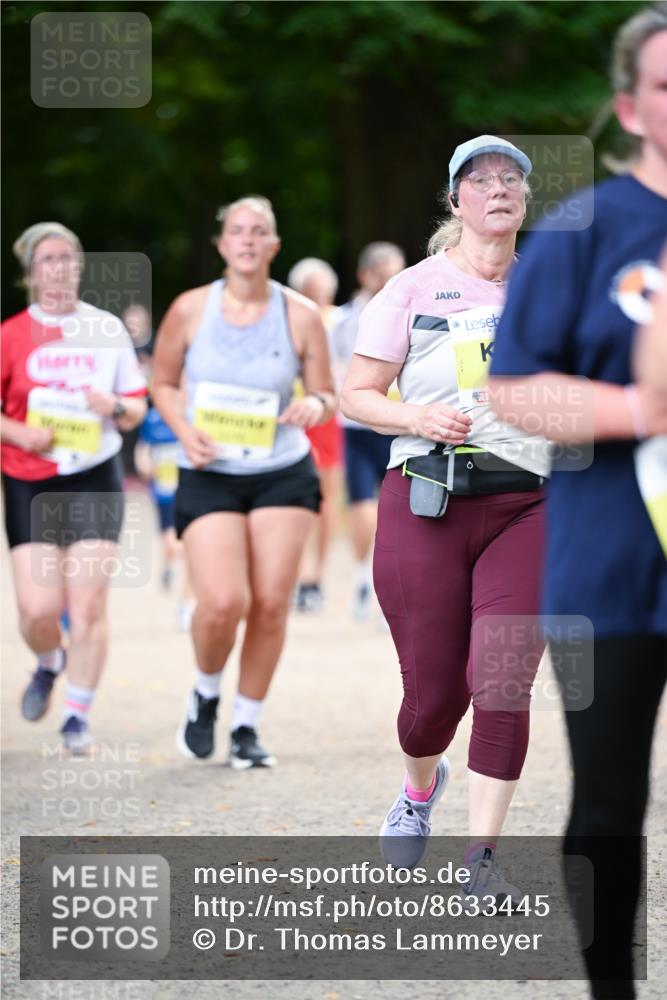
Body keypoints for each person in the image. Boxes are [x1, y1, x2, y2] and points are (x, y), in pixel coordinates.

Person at [488, 6, 667, 996]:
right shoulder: (580, 228)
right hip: (610, 568)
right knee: (607, 801)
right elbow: (514, 388)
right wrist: (638, 406)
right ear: (628, 105)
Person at [341, 137, 551, 893]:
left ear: (522, 202)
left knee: (499, 681)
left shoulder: (550, 289)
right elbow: (355, 395)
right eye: (480, 179)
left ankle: (481, 858)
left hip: (526, 506)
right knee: (433, 699)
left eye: (510, 180)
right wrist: (416, 419)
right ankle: (417, 790)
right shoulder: (413, 287)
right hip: (425, 500)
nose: (497, 189)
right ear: (455, 200)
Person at [152, 195, 335, 768]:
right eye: (238, 231)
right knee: (222, 602)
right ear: (222, 244)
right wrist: (184, 431)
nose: (249, 240)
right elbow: (161, 382)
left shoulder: (300, 313)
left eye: (260, 232)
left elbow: (327, 394)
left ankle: (246, 726)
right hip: (210, 471)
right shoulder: (188, 310)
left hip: (282, 470)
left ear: (275, 246)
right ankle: (206, 692)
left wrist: (315, 407)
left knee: (272, 604)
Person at [1, 222, 148, 753]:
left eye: (67, 258)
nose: (59, 268)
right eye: (47, 260)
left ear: (80, 266)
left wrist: (110, 405)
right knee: (37, 613)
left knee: (85, 606)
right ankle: (49, 660)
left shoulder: (106, 329)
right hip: (28, 479)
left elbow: (136, 406)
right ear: (30, 272)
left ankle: (77, 716)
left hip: (94, 475)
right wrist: (18, 431)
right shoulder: (11, 334)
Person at [332, 242, 405, 618]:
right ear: (364, 275)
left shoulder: (411, 309)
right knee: (362, 504)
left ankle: (389, 584)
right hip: (359, 426)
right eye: (383, 274)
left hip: (400, 424)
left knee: (399, 510)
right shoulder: (345, 321)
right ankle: (363, 575)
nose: (392, 281)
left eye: (397, 272)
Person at [287, 258, 344, 613]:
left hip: (328, 416)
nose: (317, 295)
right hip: (293, 413)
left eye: (321, 289)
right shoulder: (287, 317)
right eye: (310, 289)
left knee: (326, 500)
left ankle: (315, 576)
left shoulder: (342, 320)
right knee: (292, 500)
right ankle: (294, 574)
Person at [135, 402, 195, 629]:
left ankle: (186, 603)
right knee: (169, 540)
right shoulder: (153, 418)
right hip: (163, 492)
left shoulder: (193, 414)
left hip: (188, 489)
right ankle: (169, 567)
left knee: (187, 543)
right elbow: (142, 448)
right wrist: (145, 465)